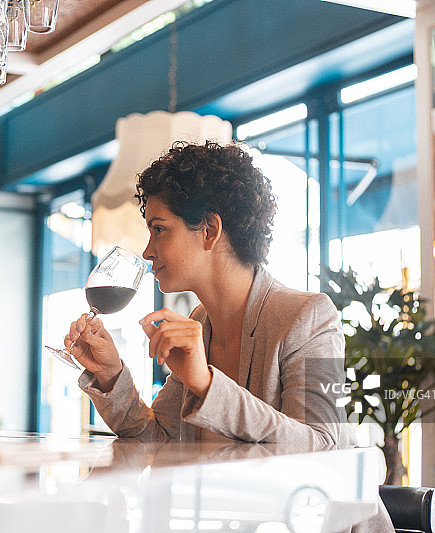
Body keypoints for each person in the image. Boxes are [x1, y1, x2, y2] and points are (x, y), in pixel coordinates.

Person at [63, 141, 394, 531]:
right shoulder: (200, 322)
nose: (148, 252)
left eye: (159, 230)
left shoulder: (307, 316)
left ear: (210, 230)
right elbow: (158, 437)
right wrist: (111, 373)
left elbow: (324, 448)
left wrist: (205, 383)